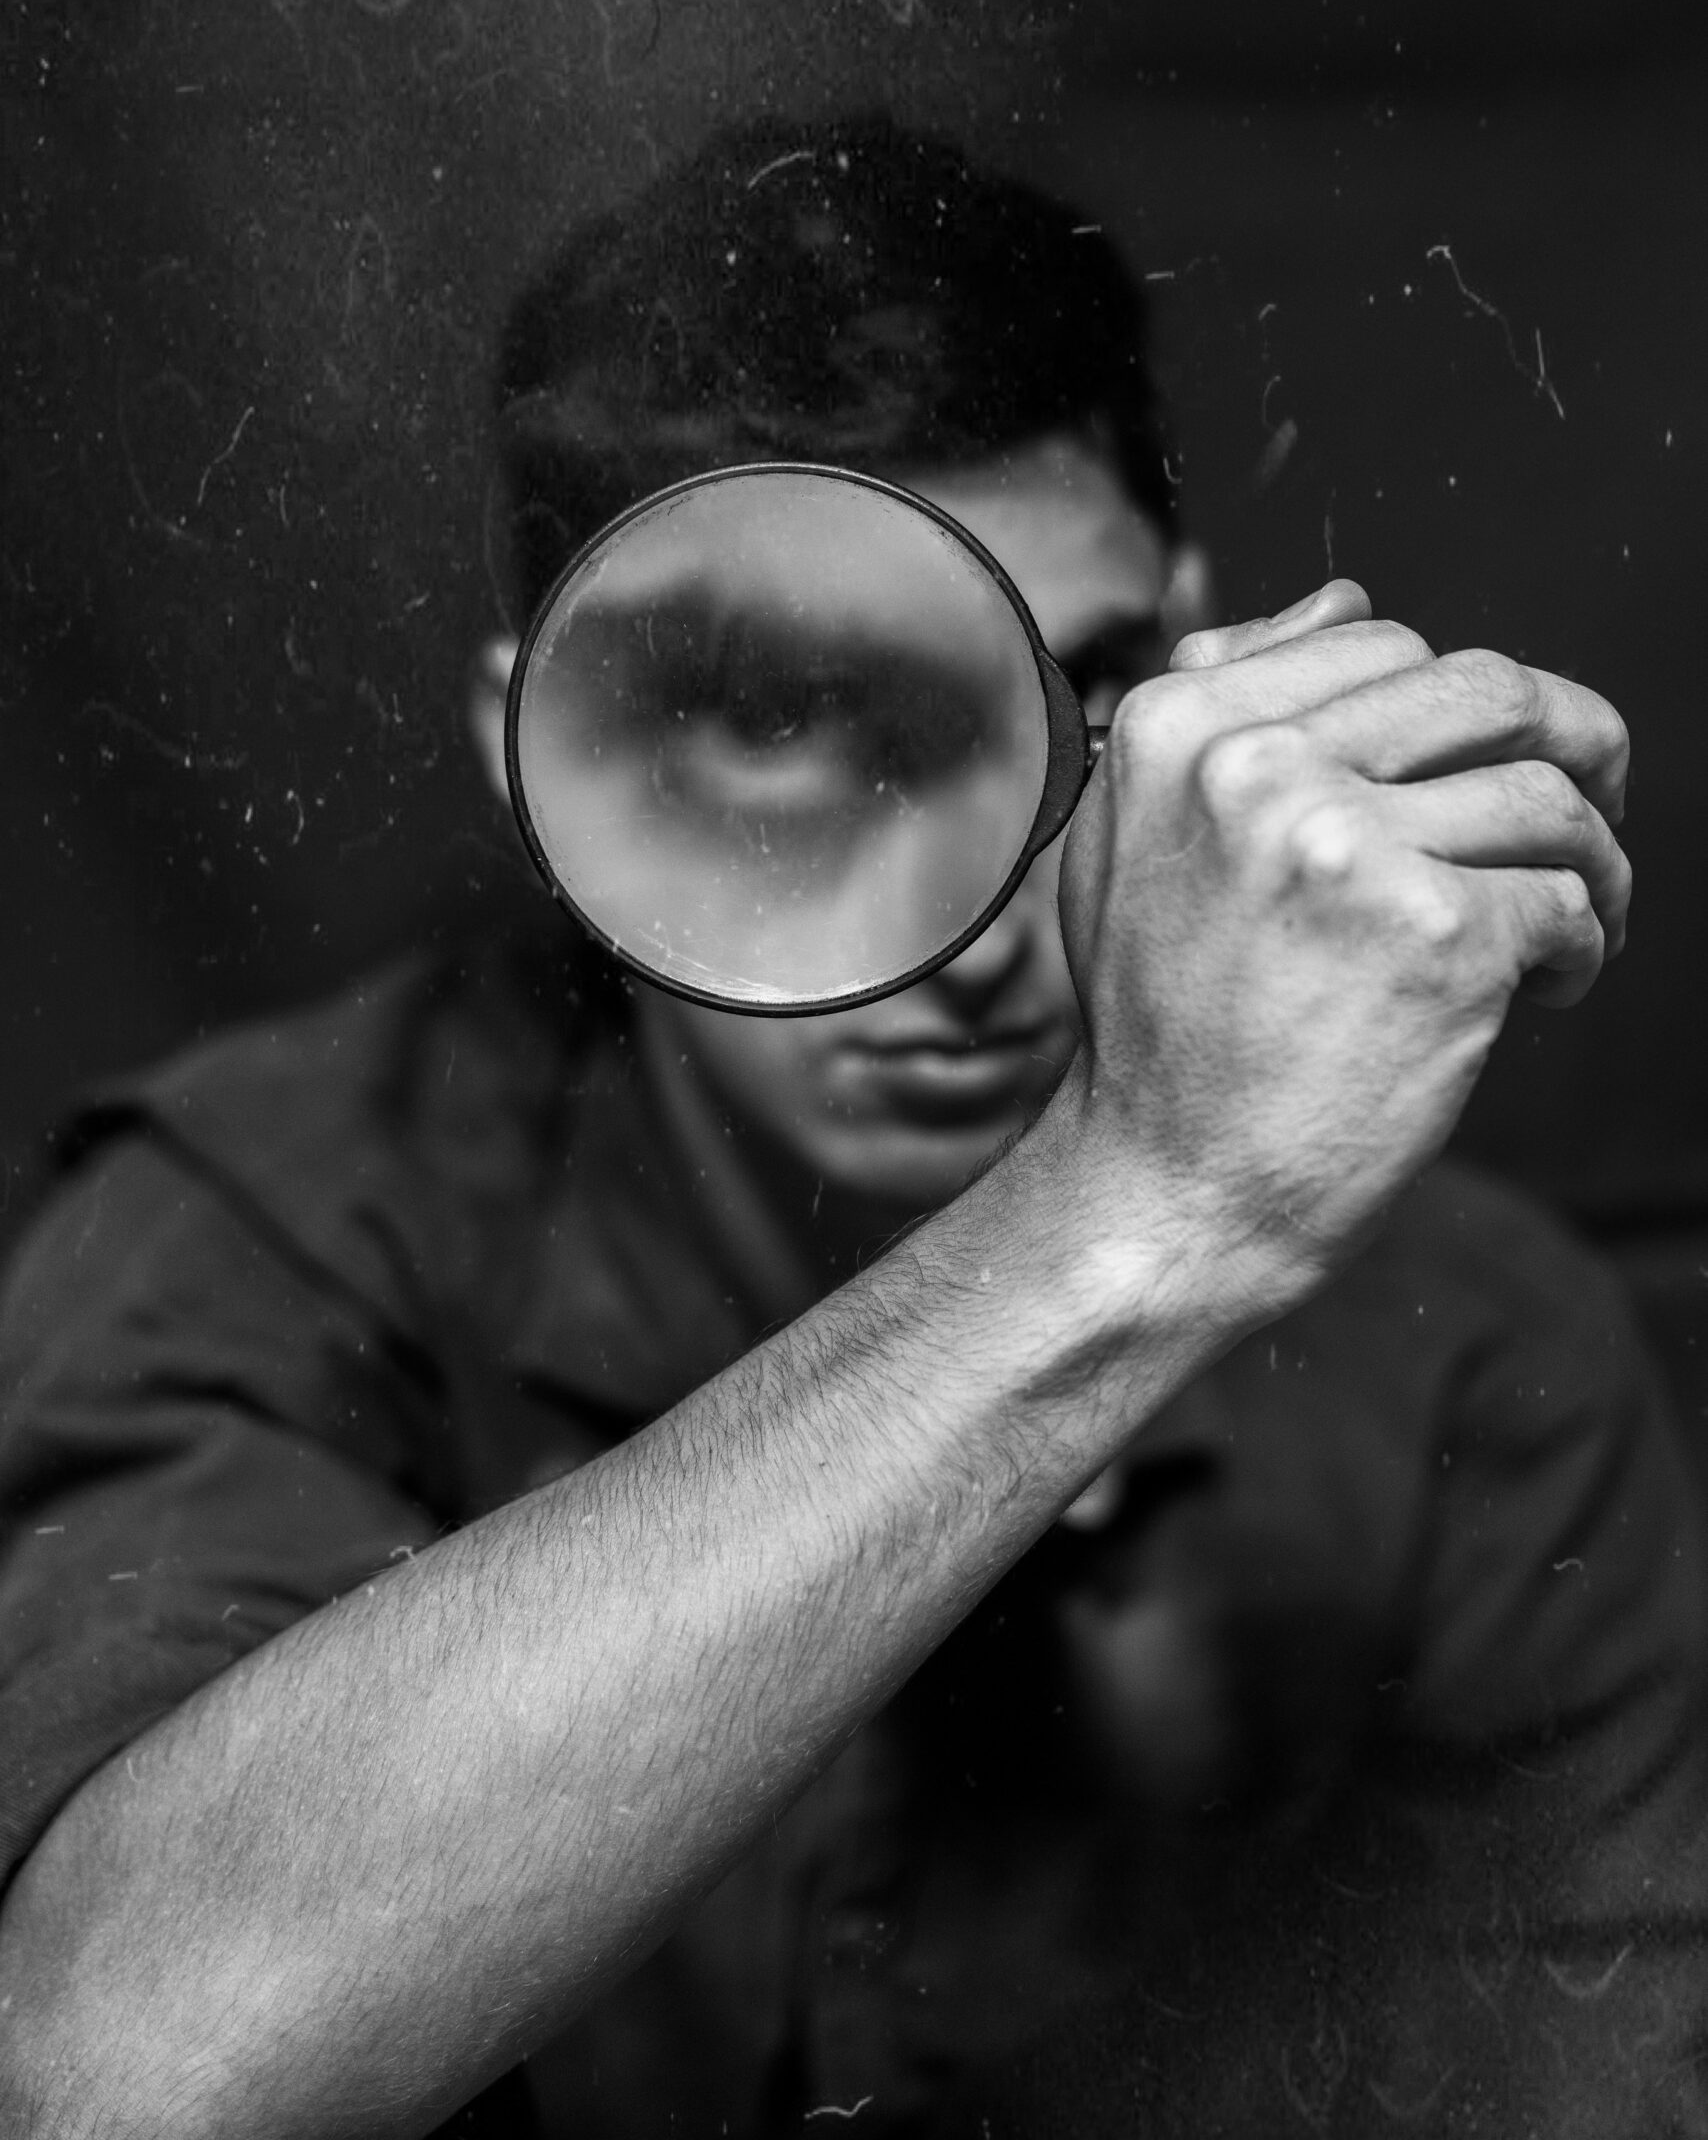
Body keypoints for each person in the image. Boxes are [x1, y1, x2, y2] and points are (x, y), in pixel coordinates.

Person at [0, 113, 1690, 2140]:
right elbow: (120, 2073)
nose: (971, 929)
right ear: (539, 752)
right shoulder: (259, 1216)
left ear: (1182, 652)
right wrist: (1132, 1216)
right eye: (789, 721)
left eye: (1066, 693)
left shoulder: (1475, 1351)